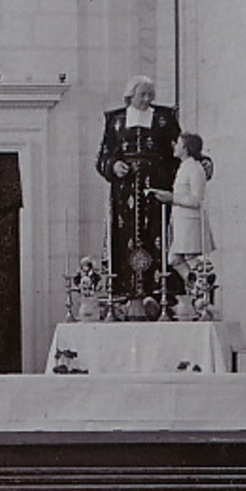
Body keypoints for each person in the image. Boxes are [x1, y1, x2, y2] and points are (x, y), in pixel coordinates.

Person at [95, 75, 181, 316]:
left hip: (156, 188)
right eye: (142, 94)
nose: (147, 99)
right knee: (125, 237)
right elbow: (102, 156)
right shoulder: (115, 120)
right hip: (125, 193)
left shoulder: (164, 118)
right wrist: (114, 166)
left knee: (158, 235)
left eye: (150, 94)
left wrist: (200, 162)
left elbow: (180, 150)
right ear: (130, 95)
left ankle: (157, 294)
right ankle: (128, 295)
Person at [151, 132, 214, 319]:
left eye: (178, 142)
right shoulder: (184, 167)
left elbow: (197, 200)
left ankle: (203, 301)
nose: (174, 145)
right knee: (175, 260)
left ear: (186, 148)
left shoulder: (195, 169)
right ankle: (197, 295)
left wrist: (171, 198)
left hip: (191, 224)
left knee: (193, 264)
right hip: (181, 223)